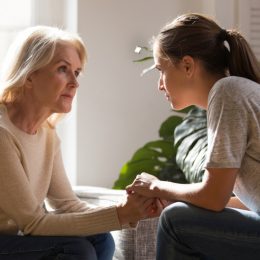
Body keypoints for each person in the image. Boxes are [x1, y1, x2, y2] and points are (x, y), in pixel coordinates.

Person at [0, 26, 162, 260]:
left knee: (100, 238)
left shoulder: (47, 135)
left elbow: (66, 205)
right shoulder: (3, 134)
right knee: (77, 250)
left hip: (14, 239)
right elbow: (32, 223)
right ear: (29, 75)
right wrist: (120, 213)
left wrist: (131, 211)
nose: (75, 83)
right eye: (63, 69)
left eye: (77, 72)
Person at [127, 13, 260, 260]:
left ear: (187, 65)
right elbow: (248, 204)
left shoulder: (227, 92)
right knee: (180, 213)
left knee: (175, 221)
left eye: (161, 70)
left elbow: (214, 197)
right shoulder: (236, 91)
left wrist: (157, 186)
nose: (159, 85)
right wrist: (177, 197)